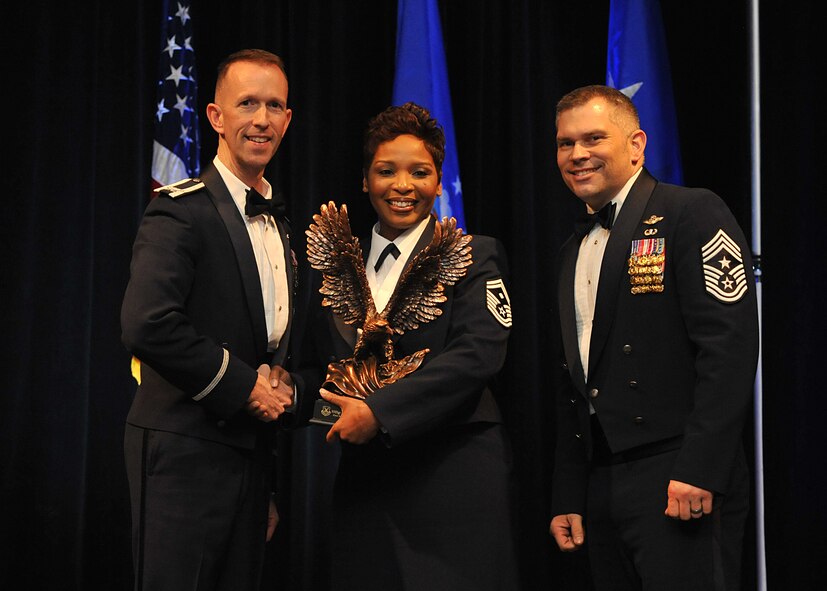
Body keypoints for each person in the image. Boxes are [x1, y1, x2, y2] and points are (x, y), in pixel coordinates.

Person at [548, 85, 759, 590]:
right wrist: (570, 492)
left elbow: (728, 349)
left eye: (594, 138)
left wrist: (701, 468)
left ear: (636, 145)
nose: (577, 154)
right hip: (602, 481)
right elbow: (574, 380)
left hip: (679, 472)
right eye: (565, 143)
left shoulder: (692, 211)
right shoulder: (572, 247)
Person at [304, 102, 519, 590]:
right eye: (386, 171)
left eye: (419, 172)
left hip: (454, 478)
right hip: (365, 486)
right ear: (365, 180)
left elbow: (478, 356)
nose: (402, 185)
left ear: (439, 182)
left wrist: (378, 413)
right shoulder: (336, 266)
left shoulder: (474, 254)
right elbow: (325, 369)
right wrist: (283, 391)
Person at [121, 49, 302, 590]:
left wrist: (268, 478)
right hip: (185, 451)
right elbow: (147, 323)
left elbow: (270, 347)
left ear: (288, 120)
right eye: (247, 104)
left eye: (274, 106)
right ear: (216, 117)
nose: (262, 119)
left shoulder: (283, 226)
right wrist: (244, 386)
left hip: (252, 460)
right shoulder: (179, 209)